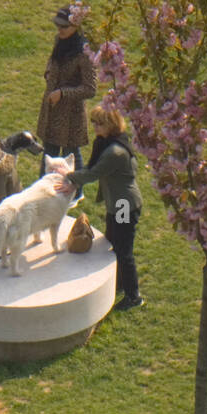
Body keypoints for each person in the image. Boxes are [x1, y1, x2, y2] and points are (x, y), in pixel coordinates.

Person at [59, 105, 144, 310]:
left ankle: (134, 296)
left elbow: (92, 174)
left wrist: (68, 177)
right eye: (94, 122)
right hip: (118, 202)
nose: (95, 127)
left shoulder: (114, 152)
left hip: (124, 205)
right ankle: (121, 283)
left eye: (100, 123)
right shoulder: (109, 142)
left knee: (123, 249)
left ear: (112, 124)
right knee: (113, 240)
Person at [36, 6, 96, 177]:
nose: (60, 30)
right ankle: (44, 189)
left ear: (76, 27)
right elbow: (52, 60)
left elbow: (90, 88)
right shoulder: (59, 40)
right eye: (58, 26)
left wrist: (63, 93)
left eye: (64, 27)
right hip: (52, 108)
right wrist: (48, 72)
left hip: (71, 115)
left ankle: (76, 191)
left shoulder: (85, 53)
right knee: (49, 152)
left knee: (71, 154)